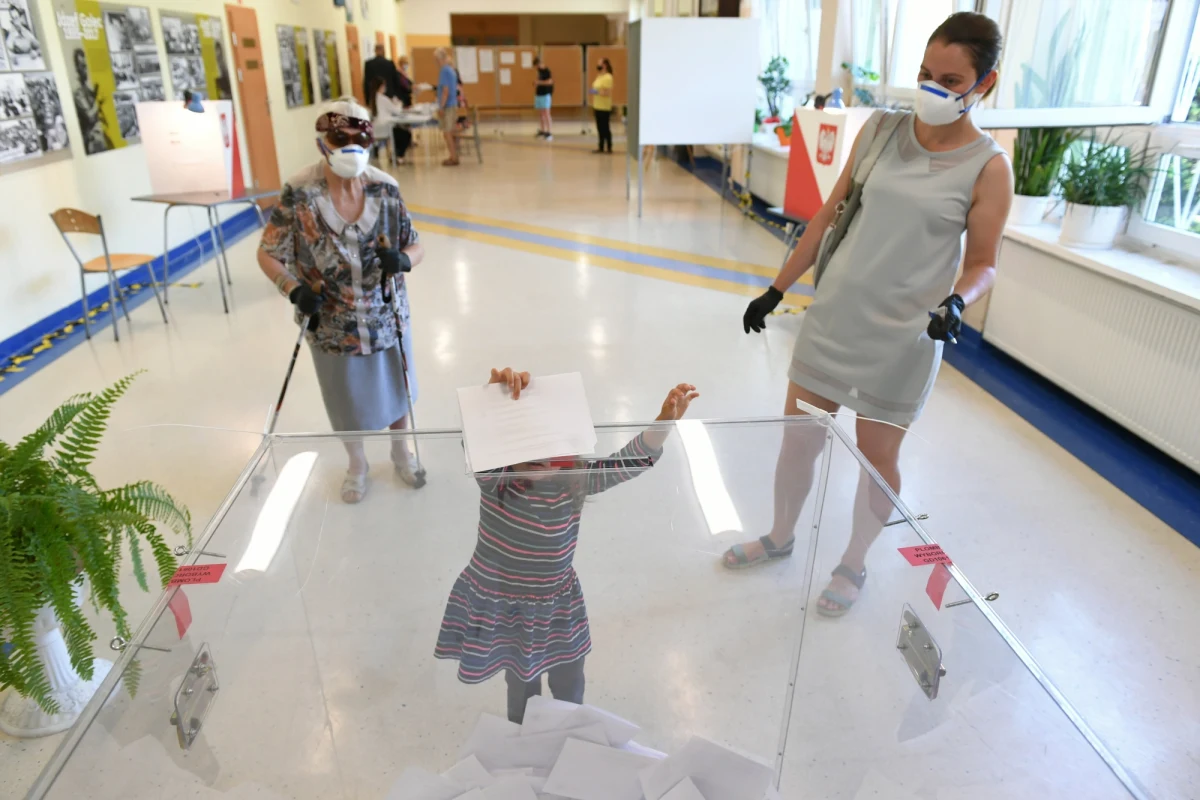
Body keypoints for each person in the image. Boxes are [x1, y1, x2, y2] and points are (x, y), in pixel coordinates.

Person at [726, 13, 1013, 617]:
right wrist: (776, 289)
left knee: (878, 458)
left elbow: (984, 262)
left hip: (905, 340)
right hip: (833, 324)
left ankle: (853, 562)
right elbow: (828, 215)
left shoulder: (988, 167)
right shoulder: (880, 131)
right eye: (925, 73)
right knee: (798, 439)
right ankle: (780, 537)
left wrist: (957, 302)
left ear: (983, 85)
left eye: (951, 78)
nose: (932, 87)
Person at [435, 368, 700, 724]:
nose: (540, 453)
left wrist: (664, 422)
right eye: (526, 442)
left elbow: (629, 463)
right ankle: (526, 743)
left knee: (570, 680)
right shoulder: (499, 483)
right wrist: (495, 398)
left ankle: (567, 733)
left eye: (549, 443)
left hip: (557, 605)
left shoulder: (574, 481)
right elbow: (478, 446)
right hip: (507, 605)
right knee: (522, 687)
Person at [257, 98, 426, 504]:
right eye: (340, 138)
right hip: (330, 321)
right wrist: (292, 289)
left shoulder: (385, 187)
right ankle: (357, 464)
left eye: (359, 138)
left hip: (385, 314)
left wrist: (403, 260)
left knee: (397, 388)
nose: (351, 146)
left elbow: (416, 245)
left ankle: (402, 453)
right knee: (343, 394)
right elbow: (268, 253)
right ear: (323, 144)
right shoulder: (299, 192)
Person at [368, 75, 411, 164]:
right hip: (386, 129)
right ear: (381, 86)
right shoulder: (383, 99)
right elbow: (397, 111)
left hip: (376, 129)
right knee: (405, 134)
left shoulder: (372, 99)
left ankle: (394, 155)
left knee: (399, 132)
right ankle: (398, 156)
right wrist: (398, 103)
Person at [435, 47, 459, 166]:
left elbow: (445, 91)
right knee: (450, 132)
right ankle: (454, 155)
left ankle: (453, 157)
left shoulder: (444, 70)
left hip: (448, 105)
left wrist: (441, 107)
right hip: (453, 104)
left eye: (436, 59)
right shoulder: (451, 70)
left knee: (447, 132)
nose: (436, 62)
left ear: (441, 59)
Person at [589, 58, 614, 154]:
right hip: (597, 105)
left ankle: (609, 147)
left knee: (605, 127)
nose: (598, 65)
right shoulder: (599, 76)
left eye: (599, 64)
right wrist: (596, 91)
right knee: (599, 127)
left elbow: (606, 92)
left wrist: (595, 91)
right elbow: (598, 89)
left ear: (605, 65)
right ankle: (601, 146)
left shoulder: (608, 77)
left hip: (604, 106)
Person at [533, 56, 553, 140]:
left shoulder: (547, 70)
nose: (536, 68)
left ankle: (549, 132)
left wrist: (539, 82)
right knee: (541, 114)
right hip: (539, 94)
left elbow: (550, 82)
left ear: (539, 64)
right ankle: (542, 130)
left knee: (547, 113)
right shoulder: (539, 71)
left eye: (537, 66)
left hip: (545, 94)